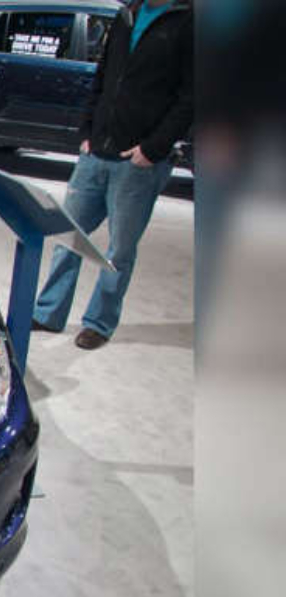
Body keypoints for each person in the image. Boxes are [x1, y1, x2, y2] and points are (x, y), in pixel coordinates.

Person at [30, 0, 193, 350]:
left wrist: (153, 149)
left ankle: (99, 323)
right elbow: (102, 78)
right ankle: (48, 312)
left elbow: (191, 98)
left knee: (119, 250)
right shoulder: (125, 16)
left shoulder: (188, 22)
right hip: (96, 152)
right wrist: (87, 131)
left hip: (139, 162)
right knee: (68, 235)